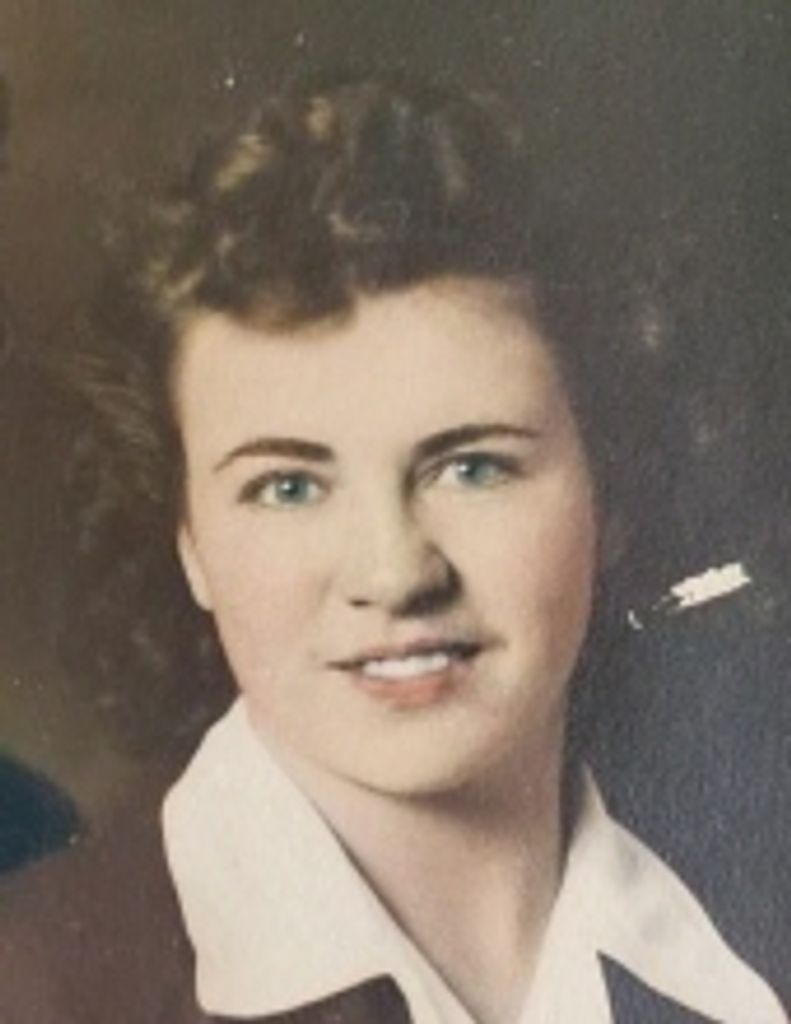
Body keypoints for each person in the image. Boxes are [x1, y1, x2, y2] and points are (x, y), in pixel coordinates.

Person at [0, 74, 786, 1023]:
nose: (395, 573)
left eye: (473, 468)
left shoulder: (752, 905)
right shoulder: (36, 985)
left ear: (609, 495)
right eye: (288, 487)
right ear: (189, 543)